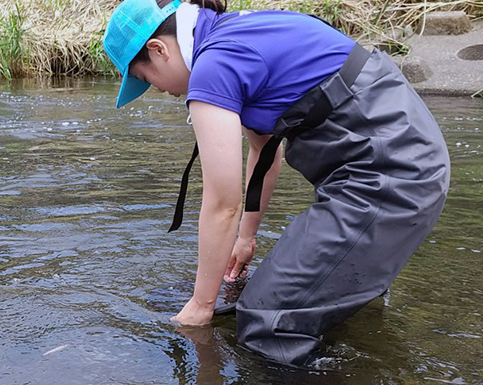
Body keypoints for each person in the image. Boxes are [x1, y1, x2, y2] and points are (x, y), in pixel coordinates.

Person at [103, 0, 450, 366]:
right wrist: (245, 237)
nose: (156, 90)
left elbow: (223, 204)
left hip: (387, 176)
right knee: (308, 291)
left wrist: (200, 307)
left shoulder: (213, 65)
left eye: (145, 79)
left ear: (159, 50)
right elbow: (263, 151)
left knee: (266, 319)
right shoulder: (238, 31)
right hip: (406, 158)